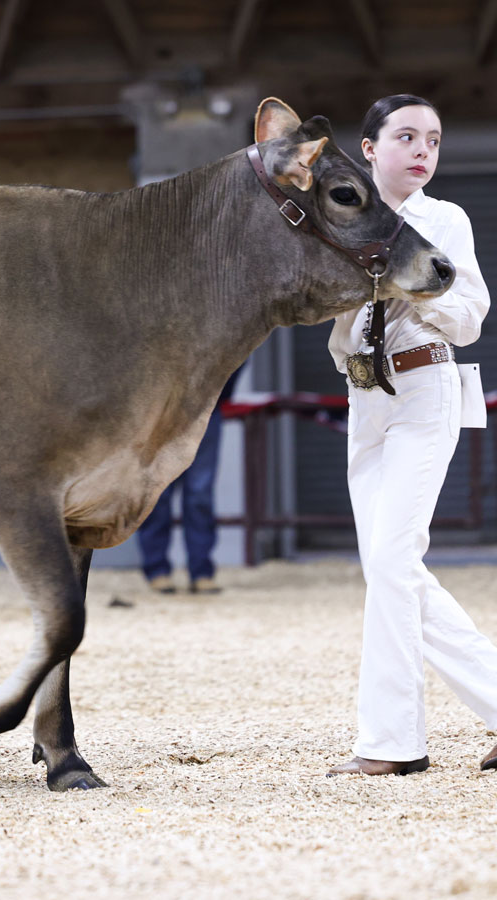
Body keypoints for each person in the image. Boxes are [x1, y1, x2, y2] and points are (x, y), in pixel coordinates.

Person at [324, 94, 496, 777]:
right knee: (394, 572)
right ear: (369, 149)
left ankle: (391, 745)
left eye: (433, 139)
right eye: (406, 137)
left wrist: (411, 282)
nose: (423, 149)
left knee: (394, 563)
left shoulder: (442, 220)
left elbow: (471, 316)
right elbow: (326, 315)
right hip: (364, 397)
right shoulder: (340, 218)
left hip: (426, 390)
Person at [138, 370, 240, 595]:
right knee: (158, 492)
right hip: (159, 411)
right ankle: (157, 569)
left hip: (206, 408)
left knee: (200, 493)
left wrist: (220, 392)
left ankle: (201, 571)